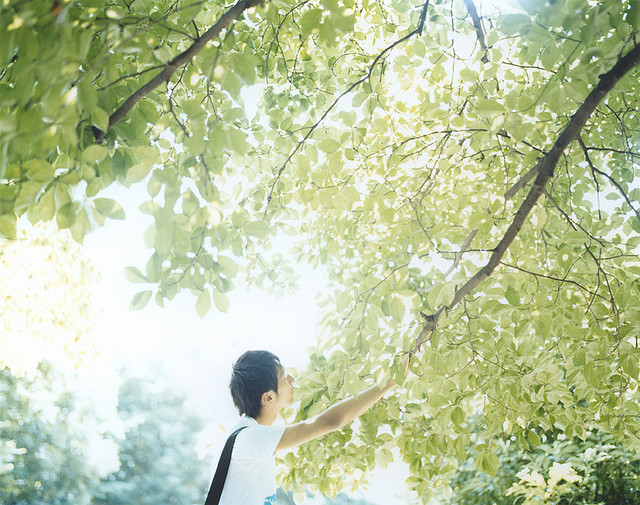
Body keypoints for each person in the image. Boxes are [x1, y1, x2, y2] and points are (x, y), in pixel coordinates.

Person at [216, 349, 403, 505]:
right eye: (283, 377)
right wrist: (389, 383)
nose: (292, 379)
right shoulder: (251, 438)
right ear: (269, 397)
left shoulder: (246, 435)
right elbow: (331, 421)